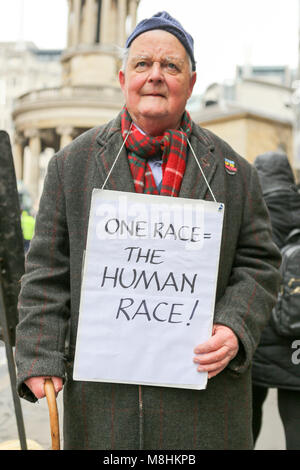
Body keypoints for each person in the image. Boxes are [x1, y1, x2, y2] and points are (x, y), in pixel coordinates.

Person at [15, 11, 281, 450]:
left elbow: (261, 262)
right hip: (106, 412)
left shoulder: (236, 172)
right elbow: (45, 270)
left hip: (204, 412)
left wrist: (234, 327)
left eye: (170, 66)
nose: (155, 76)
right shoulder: (72, 165)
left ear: (191, 83)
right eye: (143, 64)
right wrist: (40, 354)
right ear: (124, 78)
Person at [251, 150, 300, 450]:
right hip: (296, 334)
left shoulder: (252, 210)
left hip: (256, 334)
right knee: (296, 423)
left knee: (247, 419)